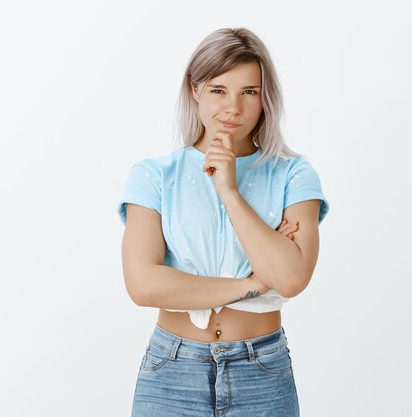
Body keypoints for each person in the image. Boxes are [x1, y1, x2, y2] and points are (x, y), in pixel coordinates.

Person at [117, 27, 330, 417]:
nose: (233, 107)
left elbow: (291, 278)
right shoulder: (153, 175)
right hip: (171, 372)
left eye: (249, 92)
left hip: (261, 372)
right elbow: (143, 285)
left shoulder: (293, 175)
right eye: (218, 90)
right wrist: (252, 284)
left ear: (264, 99)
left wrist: (229, 191)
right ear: (194, 89)